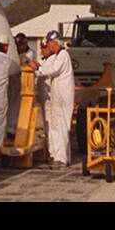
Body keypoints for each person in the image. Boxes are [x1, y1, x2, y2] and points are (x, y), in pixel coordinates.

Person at [31, 30, 75, 168]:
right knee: (58, 126)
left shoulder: (63, 55)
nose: (47, 47)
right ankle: (61, 156)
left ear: (53, 43)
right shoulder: (58, 56)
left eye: (49, 44)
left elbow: (53, 70)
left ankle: (60, 159)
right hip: (59, 97)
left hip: (62, 97)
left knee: (60, 126)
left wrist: (37, 70)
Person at [6, 33, 35, 140]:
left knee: (19, 108)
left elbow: (25, 60)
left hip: (25, 85)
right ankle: (9, 129)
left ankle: (15, 130)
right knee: (9, 105)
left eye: (20, 45)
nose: (19, 47)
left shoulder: (30, 53)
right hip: (13, 82)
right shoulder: (14, 52)